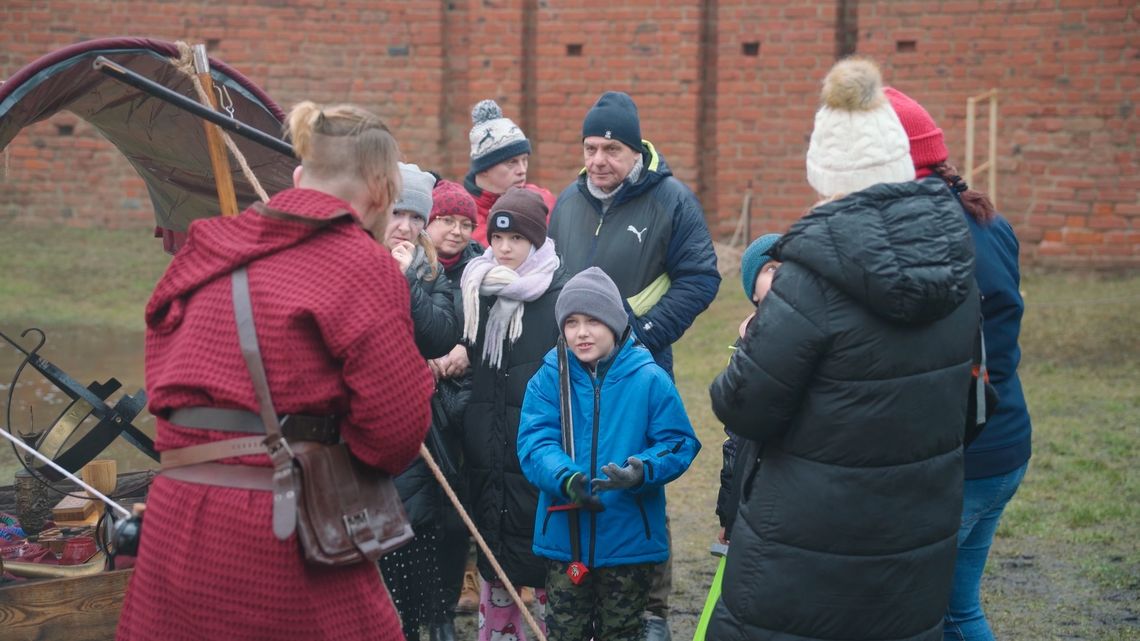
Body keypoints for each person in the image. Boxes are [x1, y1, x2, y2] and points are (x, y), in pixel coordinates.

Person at [117, 101, 434, 641]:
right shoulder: (360, 263)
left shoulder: (201, 252)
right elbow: (395, 434)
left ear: (299, 176)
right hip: (277, 532)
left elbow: (165, 384)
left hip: (175, 522)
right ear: (383, 192)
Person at [706, 57, 979, 641]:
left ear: (826, 175)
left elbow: (743, 405)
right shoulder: (957, 268)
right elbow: (978, 403)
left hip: (809, 545)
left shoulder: (806, 283)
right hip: (914, 536)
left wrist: (752, 342)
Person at [547, 90, 721, 639]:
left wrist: (643, 335)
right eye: (590, 148)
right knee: (576, 470)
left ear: (636, 150)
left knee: (640, 477)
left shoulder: (671, 200)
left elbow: (701, 277)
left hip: (638, 369)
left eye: (611, 149)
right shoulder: (567, 202)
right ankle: (580, 590)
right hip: (573, 371)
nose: (598, 160)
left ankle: (651, 609)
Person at [884, 86, 1033, 641]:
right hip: (1004, 442)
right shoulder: (987, 221)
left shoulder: (920, 236)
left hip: (963, 458)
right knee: (957, 610)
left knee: (910, 613)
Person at [517, 267, 700, 641]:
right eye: (572, 323)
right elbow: (535, 443)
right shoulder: (549, 377)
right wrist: (566, 477)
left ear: (615, 324)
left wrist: (642, 470)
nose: (582, 332)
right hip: (566, 542)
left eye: (593, 321)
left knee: (621, 632)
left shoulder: (648, 378)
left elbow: (678, 442)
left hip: (628, 542)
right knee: (565, 632)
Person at [459, 187, 569, 641]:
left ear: (536, 241)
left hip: (537, 452)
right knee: (496, 560)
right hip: (488, 451)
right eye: (498, 238)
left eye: (517, 239)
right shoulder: (476, 290)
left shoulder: (559, 297)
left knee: (545, 569)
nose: (505, 248)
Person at [378, 162, 464, 641]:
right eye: (398, 213)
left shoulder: (429, 272)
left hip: (415, 426)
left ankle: (426, 620)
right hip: (362, 423)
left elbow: (439, 335)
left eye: (416, 217)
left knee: (417, 525)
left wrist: (407, 281)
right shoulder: (353, 262)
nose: (406, 226)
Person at [422, 177, 484, 620]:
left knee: (465, 489)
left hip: (469, 395)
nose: (456, 231)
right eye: (446, 220)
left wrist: (467, 348)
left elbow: (498, 324)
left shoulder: (482, 271)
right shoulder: (413, 267)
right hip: (424, 396)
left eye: (465, 223)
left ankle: (466, 573)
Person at [715, 233, 781, 546]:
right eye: (770, 268)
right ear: (752, 290)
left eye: (790, 267)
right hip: (752, 500)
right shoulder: (744, 349)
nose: (781, 275)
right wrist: (728, 514)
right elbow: (736, 444)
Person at [463, 99, 556, 244]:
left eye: (524, 160)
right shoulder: (460, 216)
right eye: (512, 162)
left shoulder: (544, 203)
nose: (522, 170)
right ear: (484, 168)